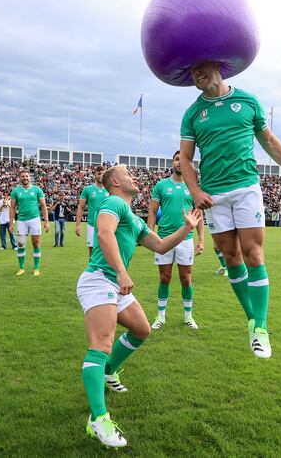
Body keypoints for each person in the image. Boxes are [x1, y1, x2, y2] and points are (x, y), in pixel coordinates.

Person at [180, 61, 281, 358]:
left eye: (201, 68)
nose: (196, 75)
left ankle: (260, 328)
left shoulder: (248, 101)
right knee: (231, 258)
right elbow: (186, 159)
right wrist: (195, 191)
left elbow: (268, 140)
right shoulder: (192, 113)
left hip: (246, 188)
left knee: (253, 254)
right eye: (192, 71)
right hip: (213, 195)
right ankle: (252, 320)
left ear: (218, 66)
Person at [77, 164, 201, 448]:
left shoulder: (133, 218)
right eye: (127, 173)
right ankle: (98, 418)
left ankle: (108, 372)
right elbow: (104, 234)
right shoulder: (112, 202)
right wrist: (121, 272)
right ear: (116, 182)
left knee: (142, 330)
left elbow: (160, 245)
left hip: (114, 284)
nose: (134, 176)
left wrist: (186, 228)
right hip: (100, 281)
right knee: (101, 344)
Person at [147, 151, 204, 330]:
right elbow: (152, 211)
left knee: (186, 279)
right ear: (172, 163)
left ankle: (188, 316)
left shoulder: (193, 187)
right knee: (164, 278)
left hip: (186, 239)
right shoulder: (161, 185)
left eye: (183, 160)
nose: (179, 162)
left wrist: (201, 239)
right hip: (163, 238)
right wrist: (149, 234)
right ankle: (160, 316)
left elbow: (198, 215)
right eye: (176, 159)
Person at [9, 169, 49, 276]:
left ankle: (36, 268)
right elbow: (12, 208)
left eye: (26, 176)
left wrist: (47, 221)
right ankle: (21, 268)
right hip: (21, 220)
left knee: (36, 243)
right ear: (20, 178)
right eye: (23, 176)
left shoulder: (37, 190)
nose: (25, 178)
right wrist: (11, 223)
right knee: (21, 244)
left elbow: (44, 206)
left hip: (35, 219)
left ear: (29, 177)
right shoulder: (16, 191)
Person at [75, 166, 108, 258]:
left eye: (103, 174)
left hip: (107, 225)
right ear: (95, 175)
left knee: (106, 252)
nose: (101, 176)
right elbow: (81, 207)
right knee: (92, 253)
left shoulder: (110, 189)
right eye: (99, 173)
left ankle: (104, 272)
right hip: (92, 224)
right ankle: (92, 271)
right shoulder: (87, 189)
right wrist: (78, 225)